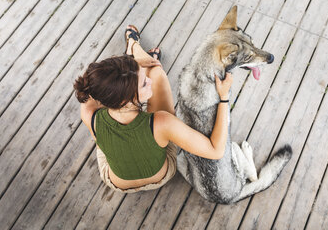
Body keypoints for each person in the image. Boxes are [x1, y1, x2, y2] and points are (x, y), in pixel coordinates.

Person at [73, 25, 233, 192]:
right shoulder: (162, 122)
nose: (148, 81)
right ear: (127, 101)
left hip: (117, 183)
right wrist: (224, 97)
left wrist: (132, 69)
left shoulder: (90, 115)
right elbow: (216, 150)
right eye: (143, 83)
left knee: (103, 132)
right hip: (160, 177)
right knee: (156, 71)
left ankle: (132, 51)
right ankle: (133, 48)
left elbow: (91, 85)